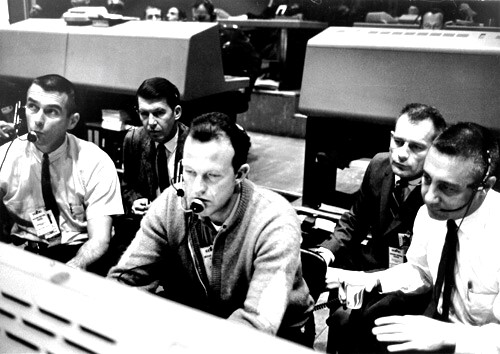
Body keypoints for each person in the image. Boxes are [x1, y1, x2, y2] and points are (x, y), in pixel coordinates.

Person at [108, 112, 314, 345]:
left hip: (278, 338)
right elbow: (125, 282)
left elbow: (257, 326)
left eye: (212, 176)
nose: (196, 188)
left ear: (240, 174)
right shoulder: (169, 205)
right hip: (200, 323)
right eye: (190, 172)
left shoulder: (275, 220)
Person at [328, 122, 500, 353]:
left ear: (485, 187)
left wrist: (451, 336)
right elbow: (421, 271)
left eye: (447, 188)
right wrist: (372, 280)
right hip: (435, 329)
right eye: (427, 179)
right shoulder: (429, 215)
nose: (429, 197)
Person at [320, 103, 446, 353]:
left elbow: (426, 274)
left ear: (436, 150)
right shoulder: (379, 166)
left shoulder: (443, 193)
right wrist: (326, 252)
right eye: (398, 142)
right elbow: (354, 220)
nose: (401, 154)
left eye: (416, 147)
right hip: (369, 267)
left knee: (358, 323)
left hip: (413, 286)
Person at [0, 74, 123, 270]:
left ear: (72, 121)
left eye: (51, 112)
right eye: (32, 107)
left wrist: (73, 268)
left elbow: (99, 240)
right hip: (25, 252)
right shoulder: (5, 157)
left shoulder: (95, 161)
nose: (37, 121)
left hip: (77, 253)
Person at [121, 77, 189, 217]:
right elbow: (128, 186)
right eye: (144, 114)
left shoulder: (195, 144)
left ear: (176, 112)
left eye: (159, 113)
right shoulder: (133, 139)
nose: (151, 122)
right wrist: (135, 201)